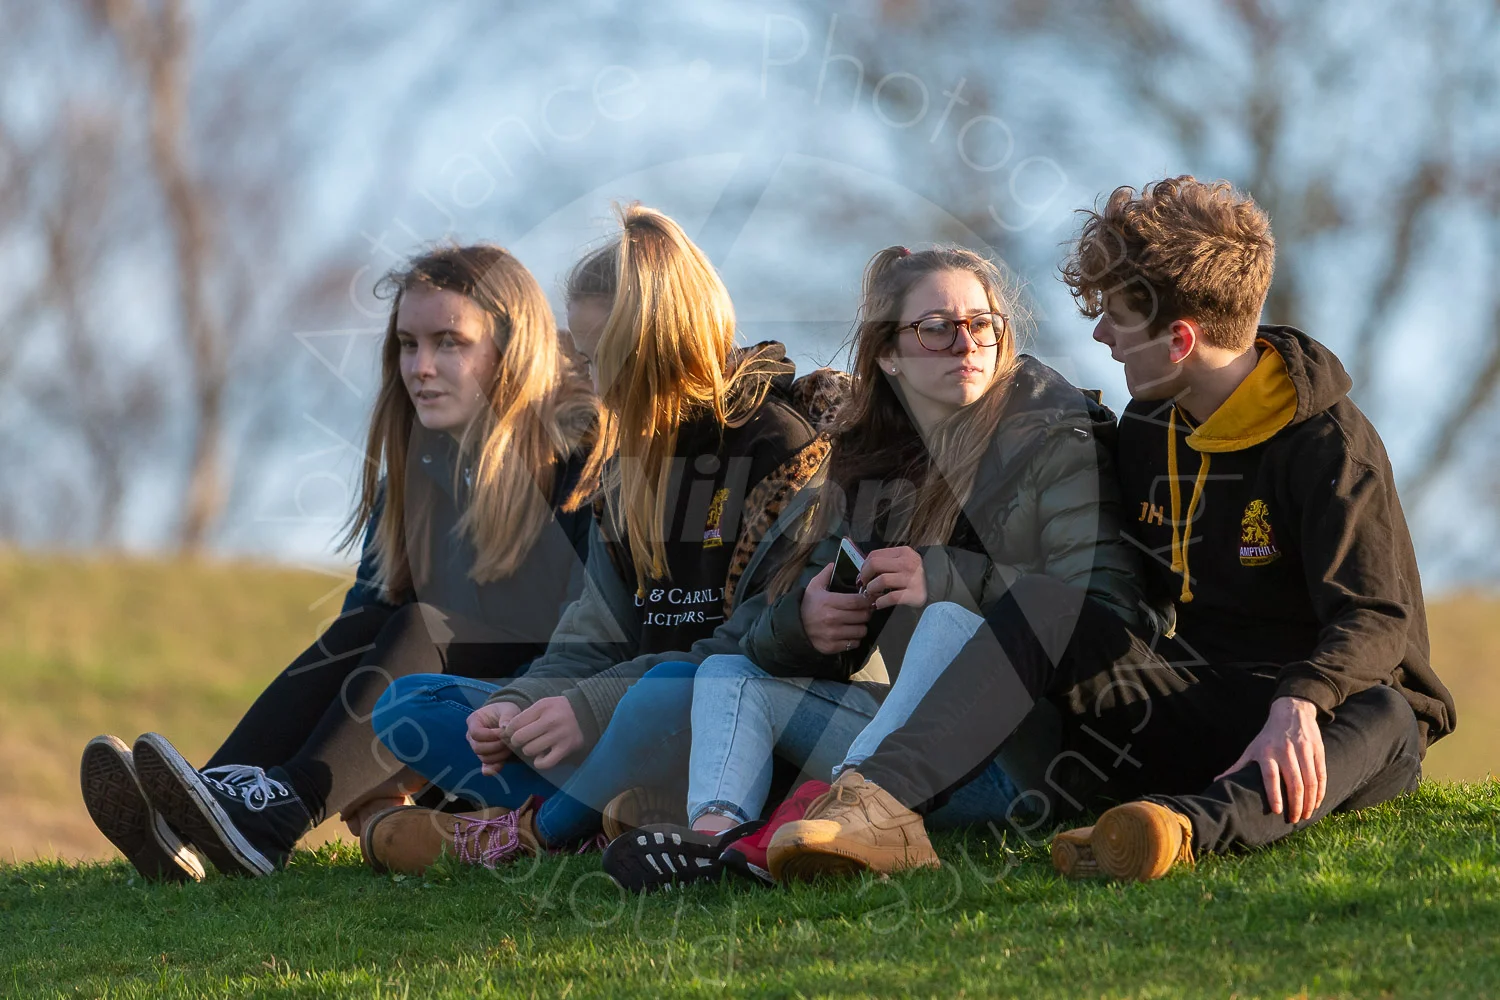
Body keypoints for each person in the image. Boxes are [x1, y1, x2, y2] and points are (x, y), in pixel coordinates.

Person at [768, 177, 1456, 884]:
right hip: (1198, 702)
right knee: (1042, 607)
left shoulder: (1329, 443)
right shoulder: (1149, 427)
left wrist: (1302, 699)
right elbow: (1091, 595)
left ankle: (1177, 828)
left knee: (1388, 712)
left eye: (1118, 319)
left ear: (1180, 339)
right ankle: (878, 809)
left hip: (1329, 725)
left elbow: (1377, 619)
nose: (1100, 336)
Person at [600, 244, 1146, 891]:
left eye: (982, 324)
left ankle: (845, 817)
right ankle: (717, 842)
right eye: (937, 328)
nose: (965, 343)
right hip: (903, 746)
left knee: (946, 618)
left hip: (1025, 762)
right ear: (889, 354)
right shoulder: (870, 461)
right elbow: (772, 623)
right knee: (730, 672)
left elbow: (1106, 611)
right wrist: (807, 621)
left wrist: (943, 577)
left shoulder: (1058, 436)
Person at [79, 244, 598, 880]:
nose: (422, 367)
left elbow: (594, 638)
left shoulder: (581, 452)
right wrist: (361, 754)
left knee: (420, 624)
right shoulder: (421, 459)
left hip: (539, 740)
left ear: (510, 348)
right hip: (432, 733)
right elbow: (362, 635)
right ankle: (205, 802)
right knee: (369, 624)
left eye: (449, 342)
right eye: (408, 344)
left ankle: (278, 813)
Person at [358, 204, 829, 871]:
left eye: (601, 357)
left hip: (731, 729)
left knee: (667, 686)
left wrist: (594, 705)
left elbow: (754, 648)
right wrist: (523, 703)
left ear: (656, 344)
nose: (591, 379)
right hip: (621, 730)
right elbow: (589, 637)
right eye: (581, 356)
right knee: (413, 703)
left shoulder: (778, 446)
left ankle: (532, 831)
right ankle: (615, 815)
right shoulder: (624, 461)